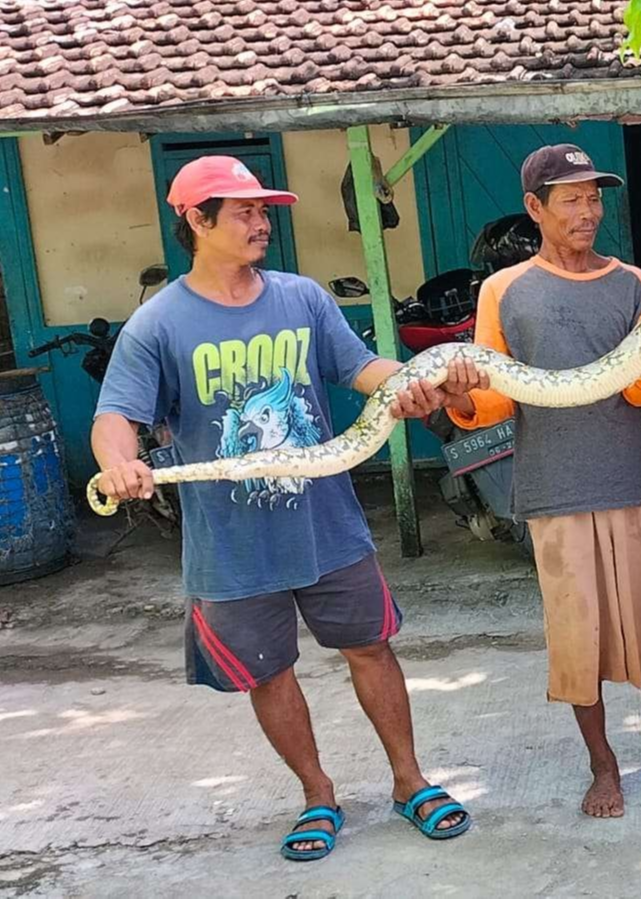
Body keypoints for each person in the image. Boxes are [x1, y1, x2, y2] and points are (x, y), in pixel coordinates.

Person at [91, 156, 479, 861]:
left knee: (371, 647)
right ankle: (318, 793)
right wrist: (119, 462)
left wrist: (424, 380)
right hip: (232, 542)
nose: (260, 222)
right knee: (268, 671)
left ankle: (410, 780)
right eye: (242, 212)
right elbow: (116, 415)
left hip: (325, 522)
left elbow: (363, 369)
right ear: (195, 220)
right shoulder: (158, 324)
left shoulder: (301, 298)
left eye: (263, 210)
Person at [443, 144, 641, 819]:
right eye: (572, 198)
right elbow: (497, 401)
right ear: (535, 208)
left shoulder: (636, 284)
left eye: (595, 197)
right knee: (576, 636)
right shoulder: (503, 291)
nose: (589, 211)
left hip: (633, 480)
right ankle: (602, 765)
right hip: (554, 492)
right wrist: (459, 393)